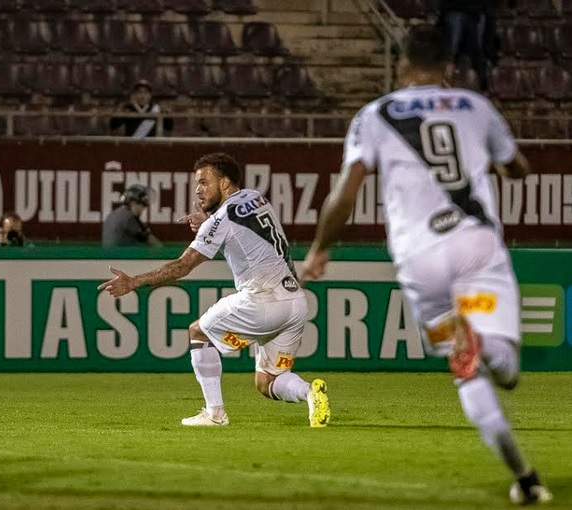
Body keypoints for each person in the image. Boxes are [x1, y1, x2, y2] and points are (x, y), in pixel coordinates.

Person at [299, 25, 551, 505]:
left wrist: (320, 250)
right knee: (508, 370)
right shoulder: (476, 107)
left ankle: (526, 478)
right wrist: (496, 162)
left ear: (402, 66)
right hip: (476, 249)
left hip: (419, 263)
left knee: (465, 371)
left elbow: (346, 192)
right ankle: (488, 349)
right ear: (449, 69)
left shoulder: (375, 115)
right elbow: (519, 168)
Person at [99, 153, 331, 428]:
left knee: (199, 332)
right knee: (267, 380)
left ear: (224, 182)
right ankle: (310, 393)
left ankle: (215, 414)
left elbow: (183, 266)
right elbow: (237, 222)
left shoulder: (219, 221)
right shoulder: (256, 197)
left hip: (264, 300)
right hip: (294, 301)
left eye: (204, 182)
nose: (198, 189)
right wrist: (209, 219)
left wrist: (134, 281)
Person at [437, 0, 490, 91]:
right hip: (453, 9)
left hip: (477, 10)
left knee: (476, 54)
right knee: (450, 54)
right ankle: (443, 87)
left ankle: (477, 89)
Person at [102, 184, 160, 249]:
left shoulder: (113, 214)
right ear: (131, 203)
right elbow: (154, 244)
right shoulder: (129, 217)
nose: (142, 208)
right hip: (121, 256)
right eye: (139, 203)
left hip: (109, 256)